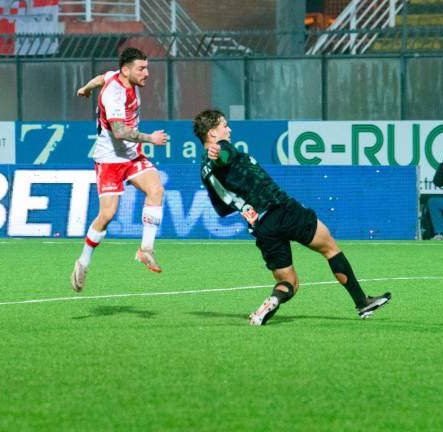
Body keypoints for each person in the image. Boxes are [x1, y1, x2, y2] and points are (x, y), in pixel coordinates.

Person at [193, 108, 391, 326]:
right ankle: (362, 302)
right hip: (281, 209)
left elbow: (222, 209)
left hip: (261, 226)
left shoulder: (204, 170)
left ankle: (271, 302)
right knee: (330, 248)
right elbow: (224, 154)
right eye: (224, 125)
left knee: (290, 282)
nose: (228, 129)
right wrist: (218, 153)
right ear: (212, 133)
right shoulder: (221, 147)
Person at [70, 47, 169, 292]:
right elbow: (119, 132)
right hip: (110, 160)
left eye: (147, 67)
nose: (147, 73)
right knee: (107, 215)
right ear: (126, 70)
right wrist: (150, 139)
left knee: (156, 190)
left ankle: (146, 249)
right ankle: (83, 261)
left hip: (131, 156)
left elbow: (101, 77)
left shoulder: (118, 76)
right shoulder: (114, 95)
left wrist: (85, 88)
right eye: (141, 68)